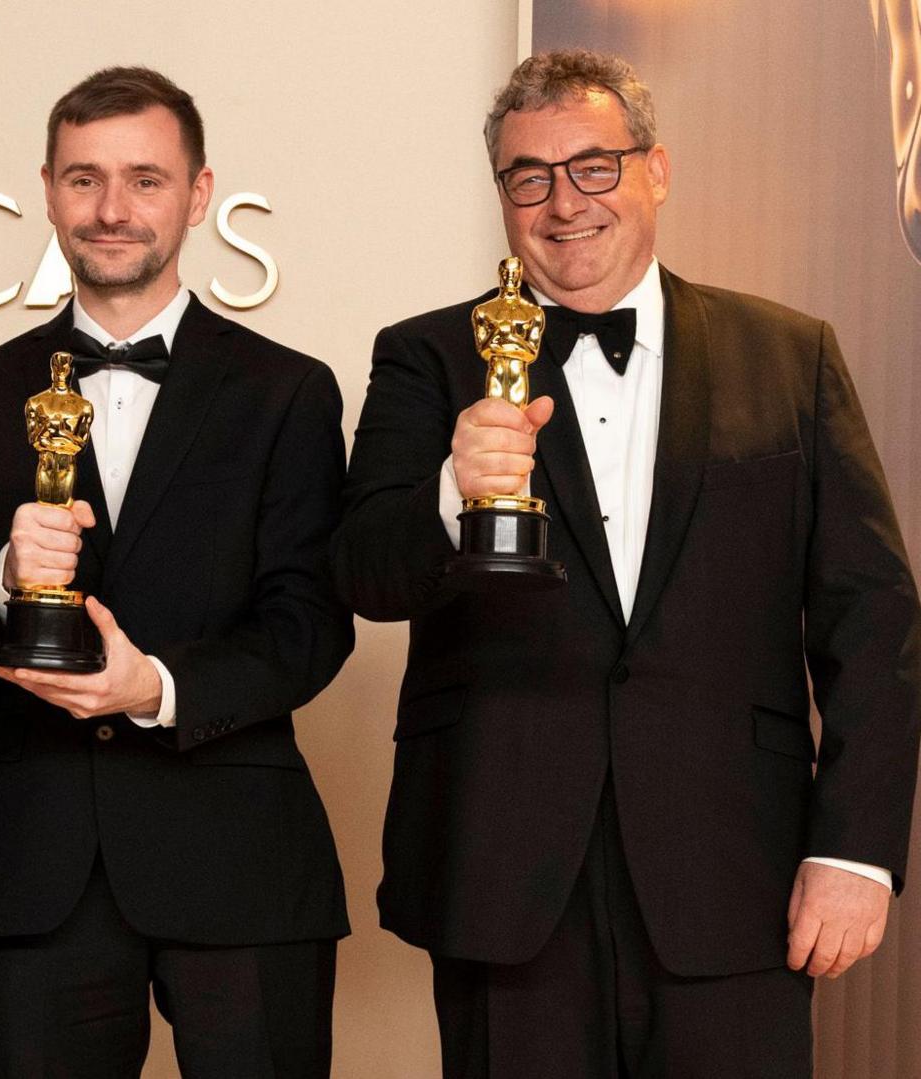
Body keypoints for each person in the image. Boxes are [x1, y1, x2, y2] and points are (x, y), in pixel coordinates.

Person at [334, 49, 921, 1077]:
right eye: (530, 176)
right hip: (500, 871)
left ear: (655, 170)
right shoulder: (425, 354)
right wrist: (450, 494)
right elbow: (367, 573)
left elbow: (873, 619)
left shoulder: (793, 357)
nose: (564, 203)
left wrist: (856, 847)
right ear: (503, 195)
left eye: (594, 166)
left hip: (737, 870)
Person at [0, 66, 353, 1078]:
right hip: (32, 856)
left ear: (199, 194)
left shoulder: (288, 390)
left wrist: (156, 687)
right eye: (84, 179)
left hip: (240, 854)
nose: (112, 210)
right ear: (48, 189)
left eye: (146, 180)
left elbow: (311, 624)